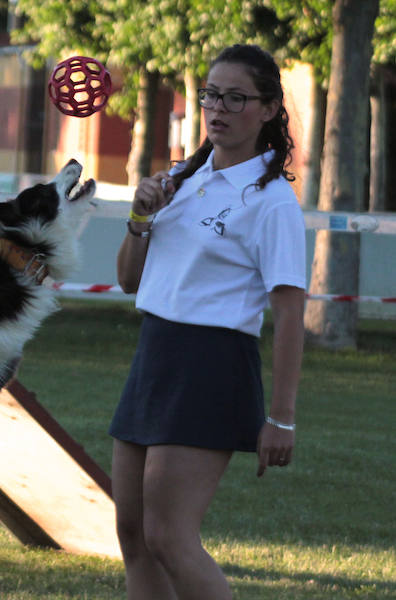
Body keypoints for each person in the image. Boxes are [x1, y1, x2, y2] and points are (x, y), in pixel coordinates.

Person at [110, 44, 306, 600]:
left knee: (169, 536)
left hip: (211, 365)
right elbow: (130, 281)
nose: (218, 109)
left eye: (236, 98)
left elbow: (290, 314)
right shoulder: (182, 178)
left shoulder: (272, 201)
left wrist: (283, 418)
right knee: (133, 536)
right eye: (211, 96)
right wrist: (139, 218)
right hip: (155, 355)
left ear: (268, 109)